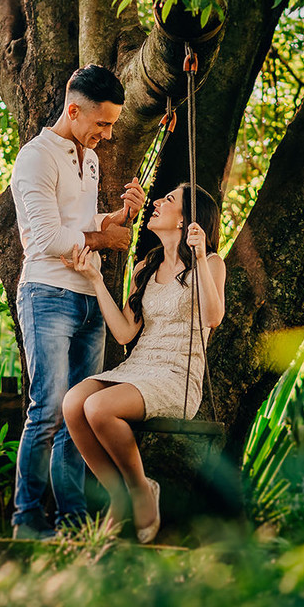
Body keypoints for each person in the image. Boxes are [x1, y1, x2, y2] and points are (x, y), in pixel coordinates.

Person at [9, 64, 145, 539]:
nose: (107, 134)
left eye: (111, 124)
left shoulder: (89, 157)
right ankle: (26, 521)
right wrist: (107, 241)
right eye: (102, 123)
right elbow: (46, 236)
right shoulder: (36, 158)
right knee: (47, 409)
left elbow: (82, 222)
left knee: (73, 418)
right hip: (47, 295)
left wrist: (120, 214)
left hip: (90, 298)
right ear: (73, 110)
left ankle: (71, 524)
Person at [61, 183, 226, 543]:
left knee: (99, 407)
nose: (157, 202)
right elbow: (123, 333)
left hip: (176, 375)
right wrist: (95, 279)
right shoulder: (144, 269)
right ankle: (118, 496)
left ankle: (140, 492)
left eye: (169, 200)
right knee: (74, 403)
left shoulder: (211, 263)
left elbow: (213, 318)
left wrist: (199, 258)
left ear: (186, 220)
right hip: (139, 367)